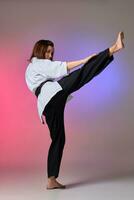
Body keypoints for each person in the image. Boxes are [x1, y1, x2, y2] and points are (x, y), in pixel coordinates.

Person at [25, 31, 125, 189]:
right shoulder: (36, 62)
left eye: (52, 52)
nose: (50, 55)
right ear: (40, 50)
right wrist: (85, 59)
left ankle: (51, 179)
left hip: (48, 105)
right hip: (52, 94)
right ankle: (113, 49)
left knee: (58, 139)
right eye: (48, 51)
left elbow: (52, 72)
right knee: (82, 74)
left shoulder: (33, 68)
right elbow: (60, 67)